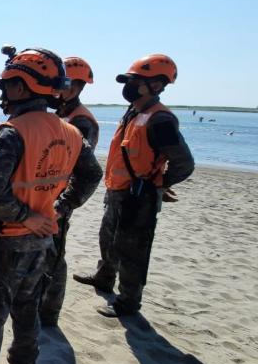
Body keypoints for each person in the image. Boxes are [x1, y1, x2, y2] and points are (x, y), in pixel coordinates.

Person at [0, 48, 102, 364]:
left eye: (5, 86)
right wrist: (60, 207)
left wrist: (28, 217)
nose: (2, 94)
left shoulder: (12, 132)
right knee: (27, 310)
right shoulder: (70, 132)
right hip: (40, 244)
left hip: (1, 244)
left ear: (21, 87)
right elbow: (92, 174)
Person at [73, 54, 194, 317]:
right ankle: (104, 277)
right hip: (117, 190)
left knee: (132, 250)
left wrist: (158, 184)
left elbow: (184, 163)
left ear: (157, 85)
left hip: (139, 197)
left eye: (136, 81)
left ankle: (128, 301)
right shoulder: (135, 111)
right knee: (109, 239)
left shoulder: (160, 119)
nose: (129, 86)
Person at [39, 56, 100, 327]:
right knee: (44, 252)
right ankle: (40, 302)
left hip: (59, 200)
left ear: (75, 86)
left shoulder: (81, 121)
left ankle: (49, 313)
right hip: (49, 195)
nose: (56, 88)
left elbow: (84, 171)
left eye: (62, 83)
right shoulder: (63, 115)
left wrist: (64, 205)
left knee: (54, 256)